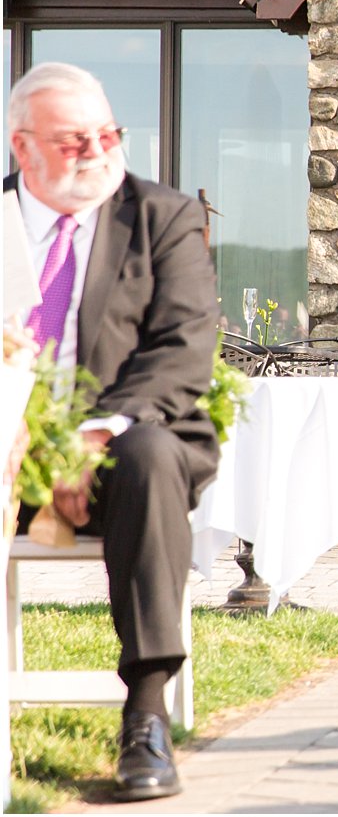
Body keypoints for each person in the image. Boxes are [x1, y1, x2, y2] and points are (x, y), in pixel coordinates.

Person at [6, 62, 220, 801]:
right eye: (74, 141)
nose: (98, 150)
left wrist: (87, 440)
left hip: (119, 447)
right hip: (6, 449)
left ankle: (146, 713)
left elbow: (183, 348)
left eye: (109, 133)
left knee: (152, 455)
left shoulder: (160, 218)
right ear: (22, 148)